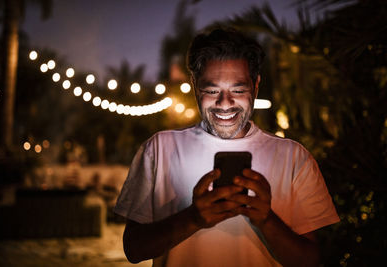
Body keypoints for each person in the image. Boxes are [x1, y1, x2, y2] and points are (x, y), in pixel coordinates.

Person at [114, 28, 340, 267]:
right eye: (212, 91)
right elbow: (134, 249)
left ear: (256, 86)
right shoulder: (158, 149)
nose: (224, 103)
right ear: (194, 85)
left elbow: (311, 261)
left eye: (238, 90)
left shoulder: (294, 157)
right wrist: (193, 218)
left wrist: (266, 220)